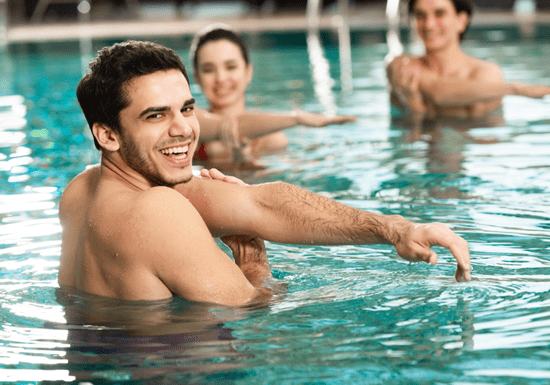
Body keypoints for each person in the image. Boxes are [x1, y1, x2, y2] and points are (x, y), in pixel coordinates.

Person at [58, 40, 471, 308]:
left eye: (186, 108)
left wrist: (394, 230)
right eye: (156, 115)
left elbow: (259, 202)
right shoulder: (158, 210)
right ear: (107, 134)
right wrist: (254, 261)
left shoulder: (81, 190)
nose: (183, 128)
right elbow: (254, 312)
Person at [190, 24, 356, 164]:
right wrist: (296, 118)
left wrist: (243, 159)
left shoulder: (272, 139)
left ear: (248, 72)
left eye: (231, 67)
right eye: (208, 70)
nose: (221, 78)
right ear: (197, 78)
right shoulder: (188, 128)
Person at [386, 0, 550, 118]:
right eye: (420, 15)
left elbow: (482, 127)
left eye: (439, 13)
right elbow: (437, 92)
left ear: (461, 21)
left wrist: (421, 108)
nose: (428, 24)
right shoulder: (401, 64)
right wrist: (515, 89)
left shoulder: (487, 72)